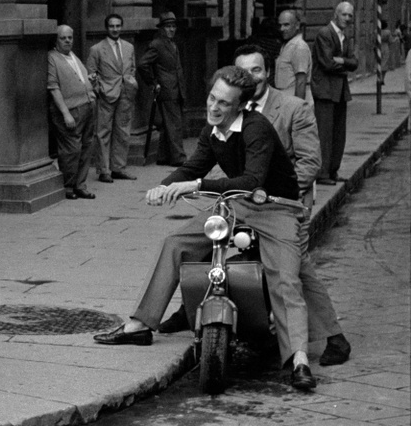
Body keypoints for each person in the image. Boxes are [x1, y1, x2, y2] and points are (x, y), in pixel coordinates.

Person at [94, 66, 319, 392]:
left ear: (240, 106)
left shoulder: (257, 129)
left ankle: (299, 360)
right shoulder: (212, 131)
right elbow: (193, 165)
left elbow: (251, 180)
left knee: (286, 279)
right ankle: (140, 324)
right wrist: (164, 186)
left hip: (276, 208)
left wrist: (194, 185)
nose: (214, 107)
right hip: (235, 206)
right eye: (212, 98)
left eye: (224, 103)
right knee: (176, 242)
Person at [155, 49, 352, 367]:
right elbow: (211, 163)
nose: (252, 76)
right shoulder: (224, 113)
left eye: (257, 70)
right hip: (241, 200)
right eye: (244, 70)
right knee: (201, 237)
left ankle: (333, 338)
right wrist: (169, 188)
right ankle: (187, 310)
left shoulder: (292, 107)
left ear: (268, 73)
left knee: (294, 270)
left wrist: (268, 195)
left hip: (283, 202)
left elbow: (310, 162)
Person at [85, 13, 138, 183]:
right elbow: (90, 73)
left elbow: (132, 68)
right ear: (106, 28)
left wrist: (131, 83)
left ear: (121, 27)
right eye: (112, 26)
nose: (115, 29)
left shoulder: (129, 47)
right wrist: (99, 89)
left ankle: (119, 168)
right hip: (106, 95)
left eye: (118, 26)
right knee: (103, 133)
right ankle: (104, 170)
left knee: (123, 132)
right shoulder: (97, 49)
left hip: (125, 93)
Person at [310, 1, 358, 186]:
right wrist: (345, 65)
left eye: (350, 15)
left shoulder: (344, 36)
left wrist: (342, 61)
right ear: (335, 14)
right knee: (325, 133)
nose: (347, 18)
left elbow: (355, 63)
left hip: (339, 91)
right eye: (344, 14)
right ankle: (322, 174)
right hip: (325, 91)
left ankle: (332, 170)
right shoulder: (325, 33)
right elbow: (327, 63)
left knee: (339, 133)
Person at [47, 25, 97, 200]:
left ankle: (80, 185)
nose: (68, 40)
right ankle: (68, 186)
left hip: (88, 105)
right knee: (71, 150)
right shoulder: (52, 58)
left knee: (86, 147)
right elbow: (53, 88)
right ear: (56, 40)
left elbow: (77, 77)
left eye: (70, 37)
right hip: (70, 110)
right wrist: (65, 113)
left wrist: (89, 81)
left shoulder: (73, 55)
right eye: (63, 38)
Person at [138, 11, 187, 166]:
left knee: (167, 125)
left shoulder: (172, 43)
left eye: (173, 26)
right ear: (161, 29)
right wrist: (153, 83)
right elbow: (142, 64)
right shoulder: (157, 44)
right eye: (168, 27)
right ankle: (179, 158)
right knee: (174, 124)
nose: (171, 29)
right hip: (166, 89)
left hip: (175, 88)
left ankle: (163, 156)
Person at [276, 9, 313, 103]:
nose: (282, 29)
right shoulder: (287, 44)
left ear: (297, 25)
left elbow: (301, 81)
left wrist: (298, 109)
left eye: (286, 25)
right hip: (285, 99)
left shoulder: (299, 47)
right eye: (280, 25)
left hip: (293, 99)